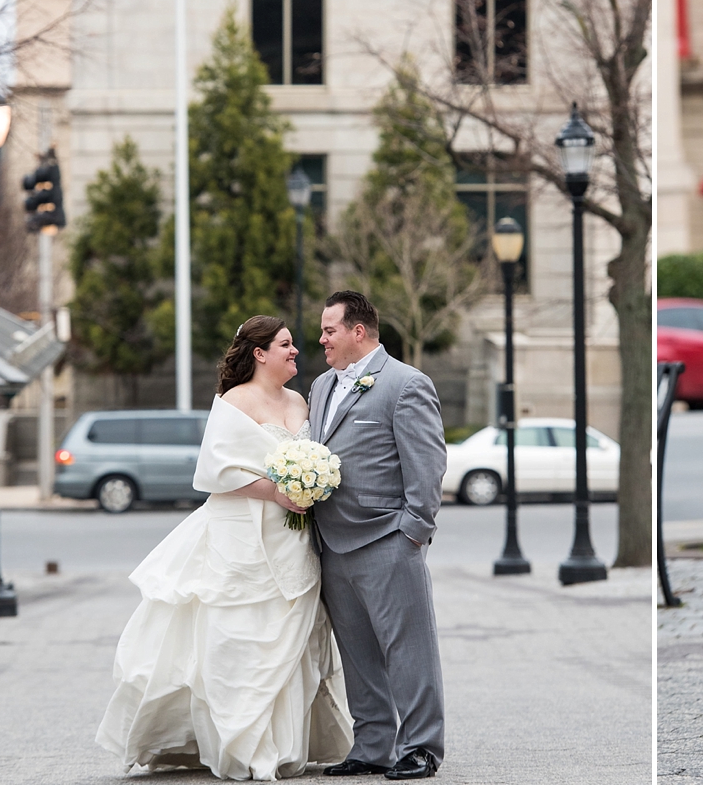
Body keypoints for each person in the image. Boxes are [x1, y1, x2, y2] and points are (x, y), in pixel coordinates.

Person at [97, 316, 353, 779]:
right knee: (239, 637)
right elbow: (215, 473)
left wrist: (311, 486)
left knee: (291, 638)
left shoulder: (300, 400)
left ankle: (282, 744)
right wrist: (276, 491)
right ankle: (241, 744)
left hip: (294, 539)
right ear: (260, 354)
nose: (296, 351)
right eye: (286, 344)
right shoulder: (234, 402)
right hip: (242, 537)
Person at [309, 291, 447, 780]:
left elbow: (427, 465)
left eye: (329, 330)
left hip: (388, 540)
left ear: (358, 331)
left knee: (409, 650)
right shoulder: (321, 386)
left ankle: (421, 747)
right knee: (358, 655)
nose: (321, 338)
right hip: (332, 545)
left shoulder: (406, 384)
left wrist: (412, 531)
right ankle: (372, 746)